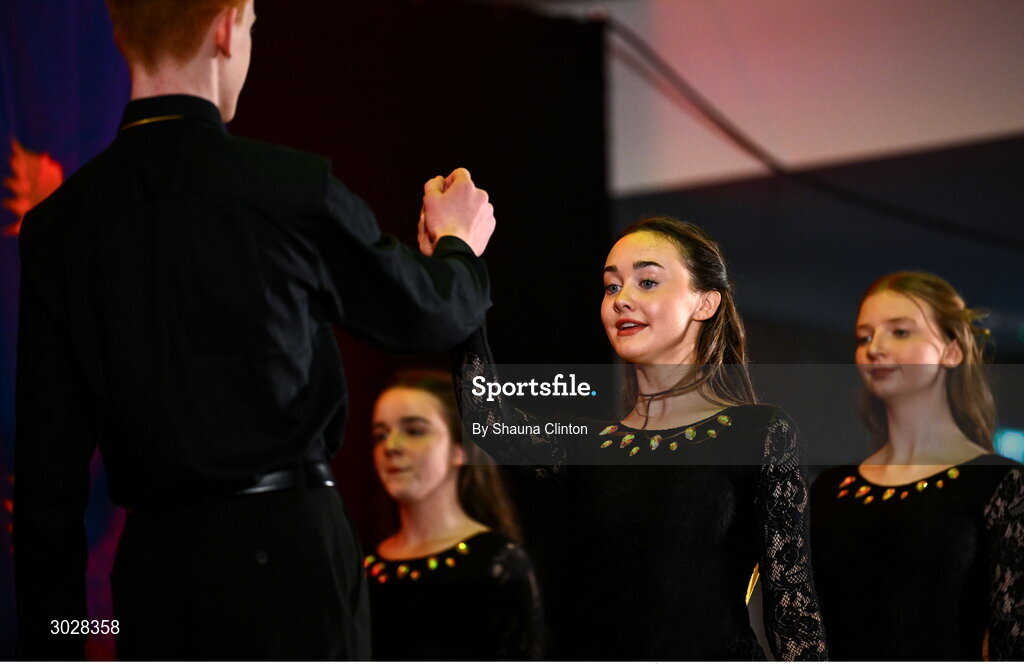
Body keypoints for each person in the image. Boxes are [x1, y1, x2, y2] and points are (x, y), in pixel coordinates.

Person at [14, 0, 495, 659]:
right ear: (227, 24)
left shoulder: (58, 228)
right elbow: (430, 311)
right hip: (290, 561)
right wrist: (457, 243)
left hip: (153, 575)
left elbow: (46, 490)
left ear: (122, 35)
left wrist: (55, 644)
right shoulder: (290, 190)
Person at [456, 216, 828, 660]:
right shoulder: (588, 444)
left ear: (705, 303)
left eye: (647, 282)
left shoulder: (759, 432)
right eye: (612, 287)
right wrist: (458, 265)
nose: (622, 300)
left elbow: (792, 610)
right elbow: (489, 419)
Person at [810, 271, 1023, 660]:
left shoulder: (1000, 484)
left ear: (951, 351)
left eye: (900, 332)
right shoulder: (828, 488)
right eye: (864, 337)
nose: (875, 348)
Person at [365, 370, 543, 660]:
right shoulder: (362, 566)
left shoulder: (496, 562)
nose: (391, 446)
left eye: (414, 431)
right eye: (379, 435)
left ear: (460, 449)